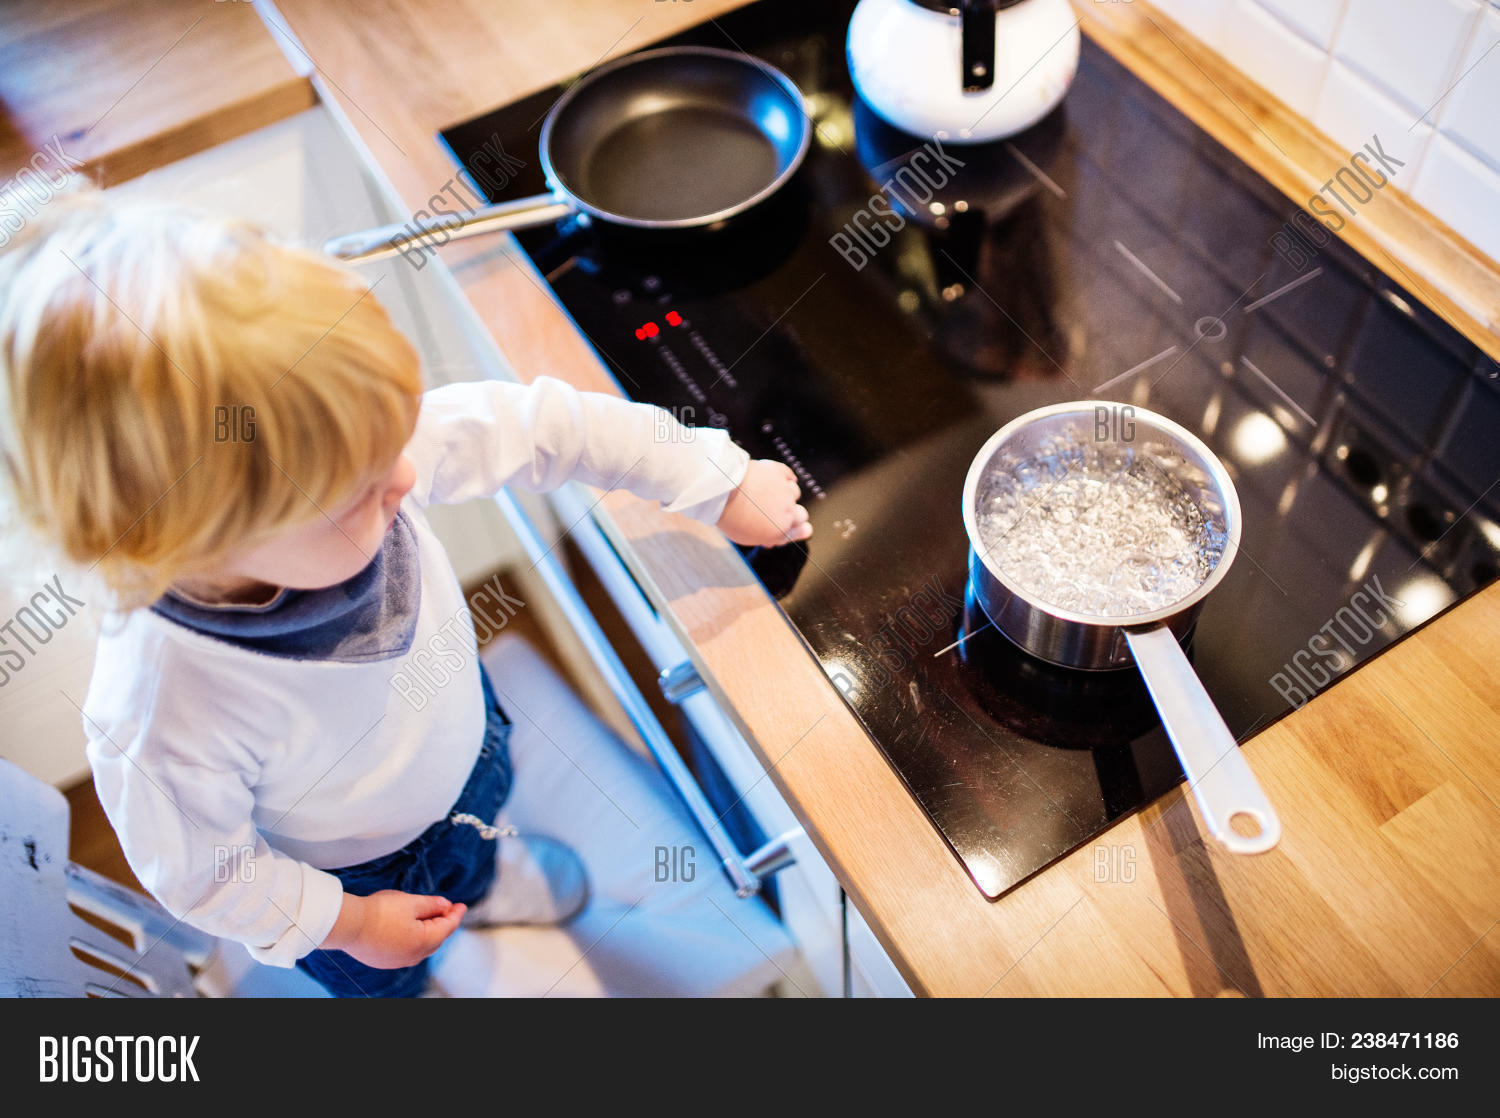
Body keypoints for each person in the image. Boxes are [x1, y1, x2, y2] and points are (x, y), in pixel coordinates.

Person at [0, 183, 810, 997]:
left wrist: (709, 477)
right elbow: (207, 876)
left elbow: (545, 427)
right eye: (360, 490)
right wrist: (351, 925)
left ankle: (482, 885)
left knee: (476, 842)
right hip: (352, 882)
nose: (406, 475)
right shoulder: (162, 703)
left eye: (394, 434)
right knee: (388, 976)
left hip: (465, 749)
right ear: (194, 539)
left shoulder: (347, 447)